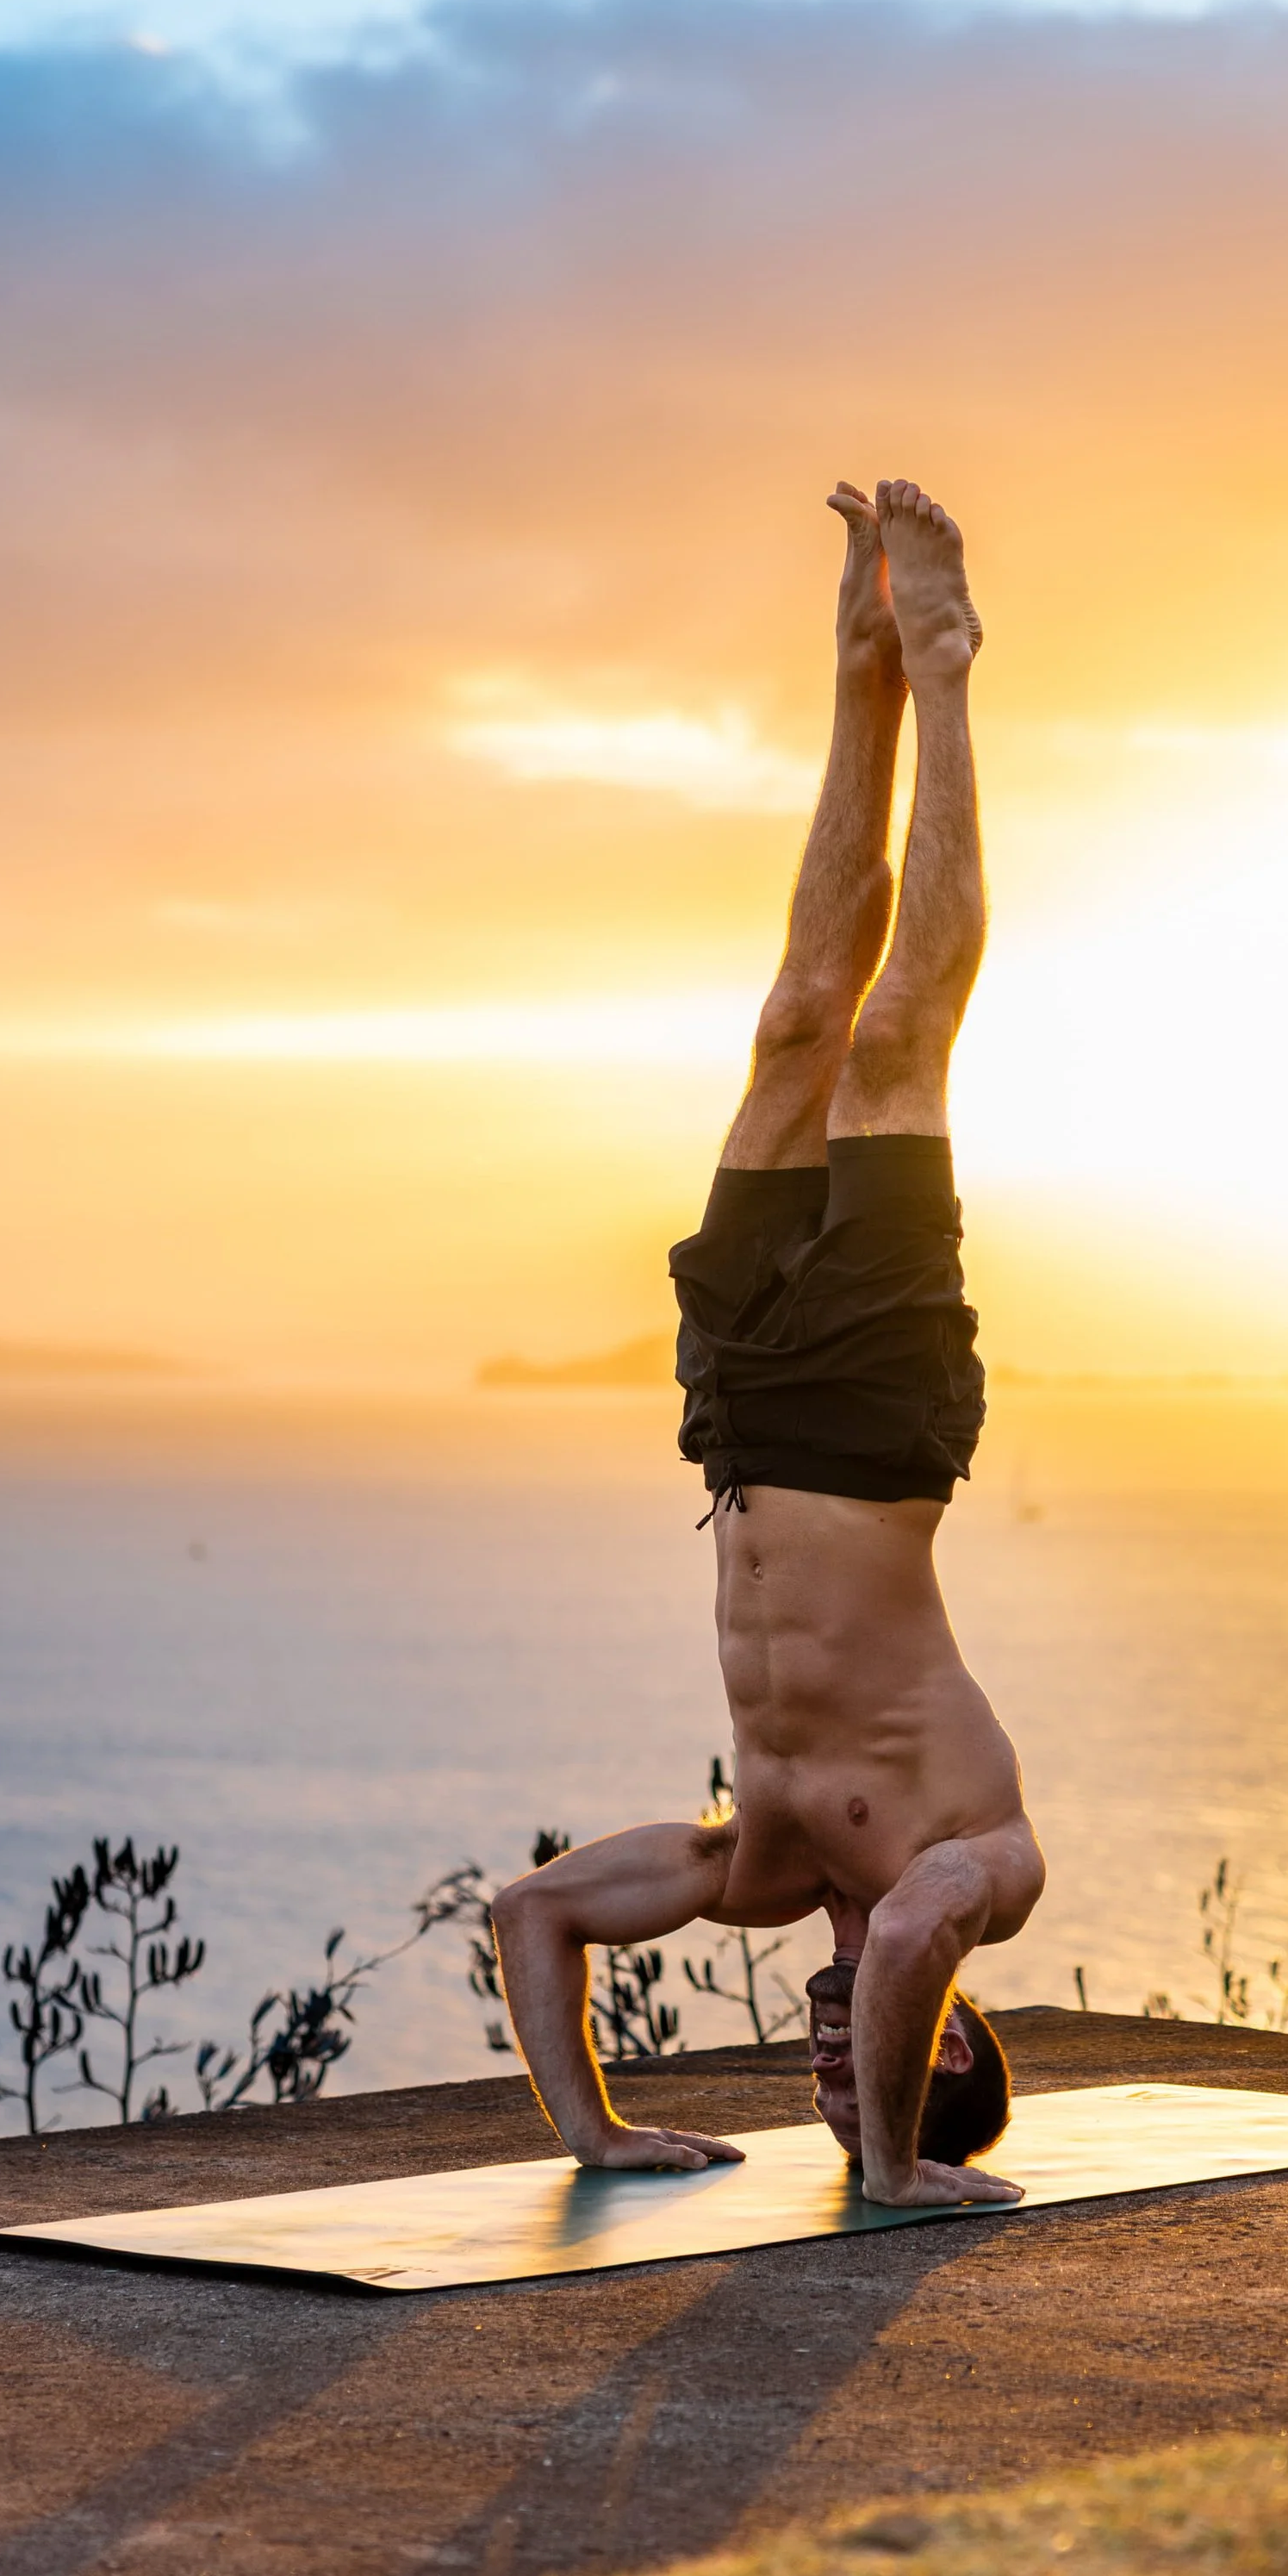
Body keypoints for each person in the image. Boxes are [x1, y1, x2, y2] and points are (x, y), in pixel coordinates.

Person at [492, 477, 1045, 2211]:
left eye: (820, 2101)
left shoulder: (759, 1866)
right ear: (944, 2035)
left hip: (734, 1414)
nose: (815, 2067)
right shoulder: (973, 1870)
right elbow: (904, 1943)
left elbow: (533, 1913)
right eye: (856, 2081)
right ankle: (939, 666)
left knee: (798, 1019)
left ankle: (853, 663)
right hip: (875, 1424)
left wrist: (587, 2129)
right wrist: (883, 2172)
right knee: (895, 1046)